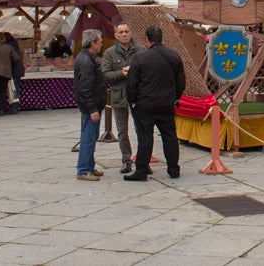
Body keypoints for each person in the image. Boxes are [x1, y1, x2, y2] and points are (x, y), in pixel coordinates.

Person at [125, 25, 185, 181]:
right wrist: (174, 98)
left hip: (145, 104)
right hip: (166, 104)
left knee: (145, 137)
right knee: (170, 136)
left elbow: (132, 84)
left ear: (146, 39)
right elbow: (181, 82)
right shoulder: (174, 56)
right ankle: (173, 169)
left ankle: (142, 171)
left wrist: (132, 101)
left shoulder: (140, 58)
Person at [101, 21, 143, 174]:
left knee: (141, 130)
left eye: (126, 31)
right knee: (122, 131)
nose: (124, 34)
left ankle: (142, 160)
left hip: (138, 97)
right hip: (119, 97)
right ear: (116, 35)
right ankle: (126, 160)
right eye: (121, 32)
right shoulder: (109, 53)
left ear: (131, 33)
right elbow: (105, 74)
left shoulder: (140, 50)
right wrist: (121, 73)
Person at [73, 29, 106, 181]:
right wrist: (92, 108)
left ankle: (89, 166)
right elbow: (85, 88)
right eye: (99, 42)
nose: (101, 44)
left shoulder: (88, 58)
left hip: (93, 105)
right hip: (90, 106)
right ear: (92, 43)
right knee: (88, 137)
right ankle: (83, 169)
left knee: (91, 136)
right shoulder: (86, 61)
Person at [5, 35, 25, 114]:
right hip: (17, 70)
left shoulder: (10, 47)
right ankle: (15, 107)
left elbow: (15, 59)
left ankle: (13, 108)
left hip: (14, 70)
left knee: (13, 89)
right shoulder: (15, 46)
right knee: (15, 89)